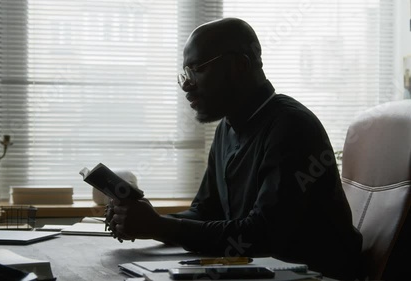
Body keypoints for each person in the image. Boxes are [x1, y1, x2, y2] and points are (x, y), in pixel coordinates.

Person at [107, 18, 362, 280]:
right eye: (185, 73)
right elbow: (205, 212)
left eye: (197, 69)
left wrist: (159, 226)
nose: (186, 84)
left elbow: (263, 235)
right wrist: (145, 220)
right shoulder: (226, 129)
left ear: (239, 65)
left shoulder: (292, 127)